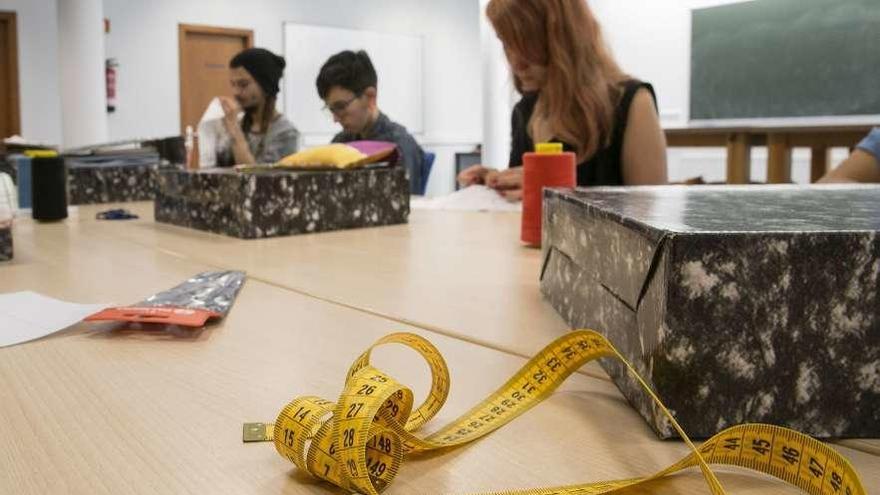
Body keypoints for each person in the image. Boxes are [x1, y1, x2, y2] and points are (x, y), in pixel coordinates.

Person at [458, 0, 667, 200]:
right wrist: (497, 182)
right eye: (507, 43)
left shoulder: (632, 103)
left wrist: (554, 192)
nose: (516, 63)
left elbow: (652, 226)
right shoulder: (525, 110)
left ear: (566, 39)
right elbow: (524, 206)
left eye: (530, 42)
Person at [316, 50, 426, 194]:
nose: (335, 119)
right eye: (331, 109)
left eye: (341, 107)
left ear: (370, 97)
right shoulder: (341, 142)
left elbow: (403, 208)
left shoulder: (399, 148)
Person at [216, 48, 299, 166]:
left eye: (243, 84)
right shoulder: (239, 123)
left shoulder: (285, 133)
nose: (236, 92)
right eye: (233, 84)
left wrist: (235, 133)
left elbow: (256, 180)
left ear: (265, 86)